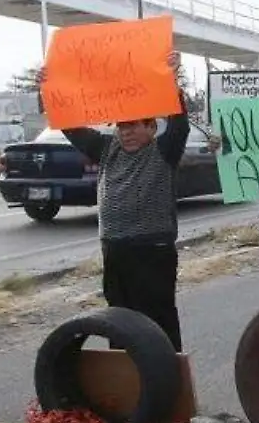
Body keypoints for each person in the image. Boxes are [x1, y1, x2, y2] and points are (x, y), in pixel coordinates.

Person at [41, 52, 192, 350]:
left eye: (135, 125)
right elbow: (70, 126)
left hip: (152, 251)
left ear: (151, 128)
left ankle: (170, 385)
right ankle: (127, 384)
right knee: (120, 323)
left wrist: (171, 80)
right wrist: (48, 89)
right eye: (122, 126)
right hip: (115, 250)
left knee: (157, 320)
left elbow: (180, 126)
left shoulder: (163, 151)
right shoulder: (106, 148)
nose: (127, 132)